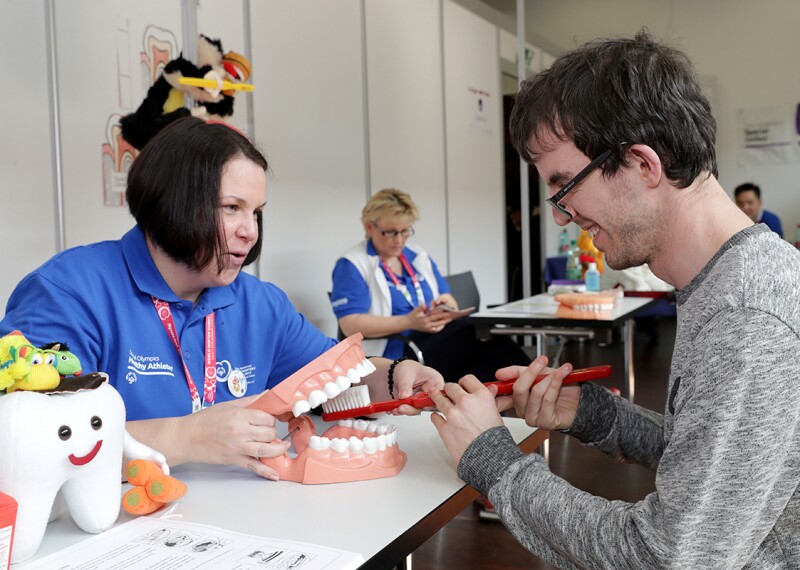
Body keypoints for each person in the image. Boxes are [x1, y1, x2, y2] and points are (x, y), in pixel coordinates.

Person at [429, 31, 800, 568]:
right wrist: (595, 415)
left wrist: (493, 461)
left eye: (565, 185)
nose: (558, 214)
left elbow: (662, 558)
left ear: (643, 165)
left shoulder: (745, 316)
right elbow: (720, 462)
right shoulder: (735, 278)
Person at [0, 117, 444, 480]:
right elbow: (24, 440)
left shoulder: (260, 303)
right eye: (231, 207)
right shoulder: (69, 291)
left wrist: (395, 377)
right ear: (173, 201)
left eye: (256, 212)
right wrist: (186, 437)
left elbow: (335, 378)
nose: (250, 231)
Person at [330, 188, 529, 383]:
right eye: (390, 232)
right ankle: (536, 381)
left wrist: (447, 307)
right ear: (369, 227)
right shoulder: (352, 264)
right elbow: (350, 324)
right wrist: (408, 322)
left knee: (484, 370)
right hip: (397, 351)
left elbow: (446, 296)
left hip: (435, 339)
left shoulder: (417, 256)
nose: (399, 240)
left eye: (405, 231)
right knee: (477, 333)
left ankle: (529, 391)